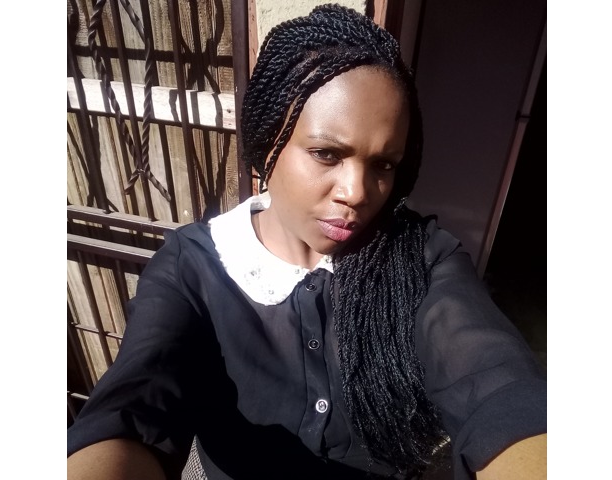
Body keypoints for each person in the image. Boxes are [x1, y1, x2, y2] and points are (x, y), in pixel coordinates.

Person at [67, 4, 547, 480]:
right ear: (267, 143)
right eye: (326, 154)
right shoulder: (194, 267)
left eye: (383, 164)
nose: (357, 193)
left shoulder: (421, 258)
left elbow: (498, 387)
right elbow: (133, 405)